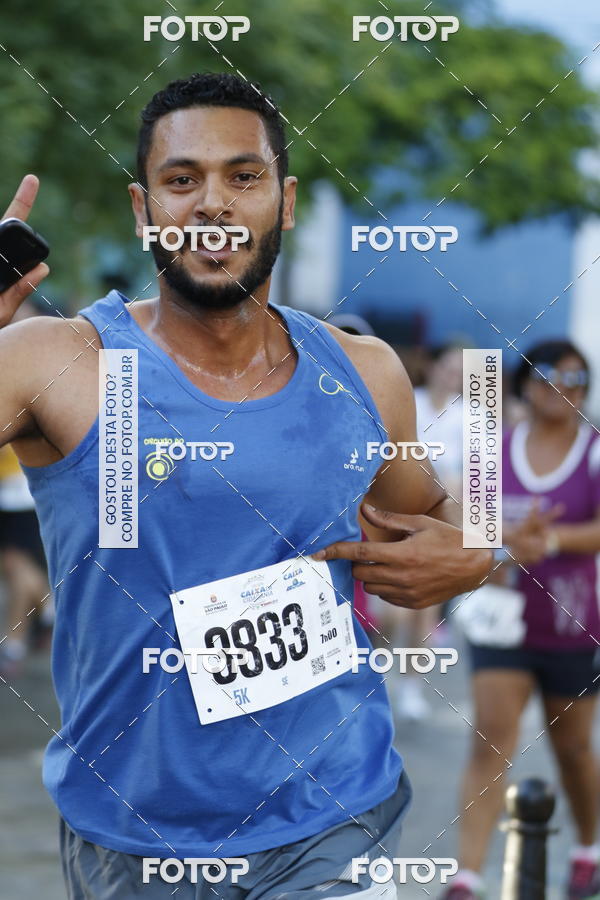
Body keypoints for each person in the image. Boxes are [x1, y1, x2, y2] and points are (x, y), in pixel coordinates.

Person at [0, 72, 491, 898]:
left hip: (334, 812)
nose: (213, 205)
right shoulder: (59, 360)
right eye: (182, 180)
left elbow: (440, 513)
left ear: (286, 201)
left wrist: (480, 549)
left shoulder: (364, 371)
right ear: (142, 208)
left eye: (244, 176)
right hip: (133, 834)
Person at [443, 340, 600, 900]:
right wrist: (511, 544)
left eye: (578, 377)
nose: (565, 386)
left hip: (570, 623)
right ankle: (468, 875)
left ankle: (587, 850)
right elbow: (472, 532)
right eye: (552, 375)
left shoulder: (593, 450)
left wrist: (552, 538)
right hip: (500, 619)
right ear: (525, 384)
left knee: (574, 750)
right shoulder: (493, 451)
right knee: (490, 741)